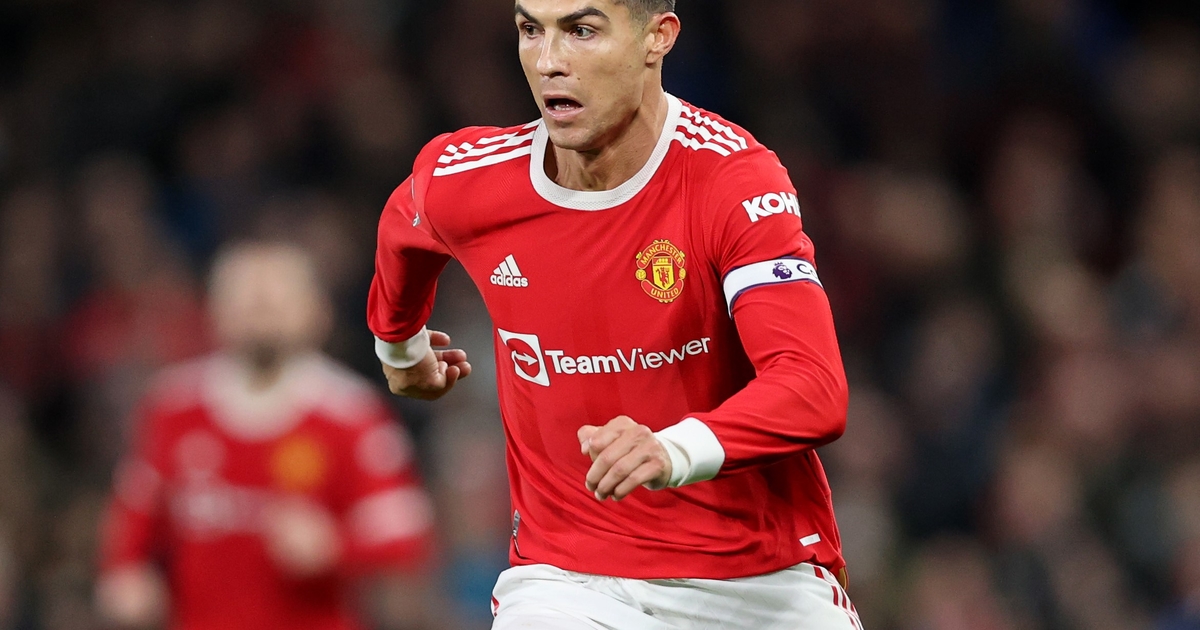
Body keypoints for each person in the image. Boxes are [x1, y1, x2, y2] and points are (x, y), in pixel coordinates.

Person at [367, 1, 857, 628]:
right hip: (567, 581)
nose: (548, 61)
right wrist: (400, 348)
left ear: (658, 37)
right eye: (530, 30)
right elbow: (404, 224)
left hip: (759, 578)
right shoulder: (471, 178)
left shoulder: (731, 179)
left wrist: (670, 449)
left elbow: (813, 388)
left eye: (581, 30)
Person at [97, 243, 443, 630]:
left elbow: (408, 530)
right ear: (213, 311)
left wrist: (335, 545)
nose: (260, 307)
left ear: (317, 312)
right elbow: (135, 509)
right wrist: (124, 571)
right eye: (245, 297)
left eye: (277, 297)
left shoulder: (352, 414)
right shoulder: (172, 407)